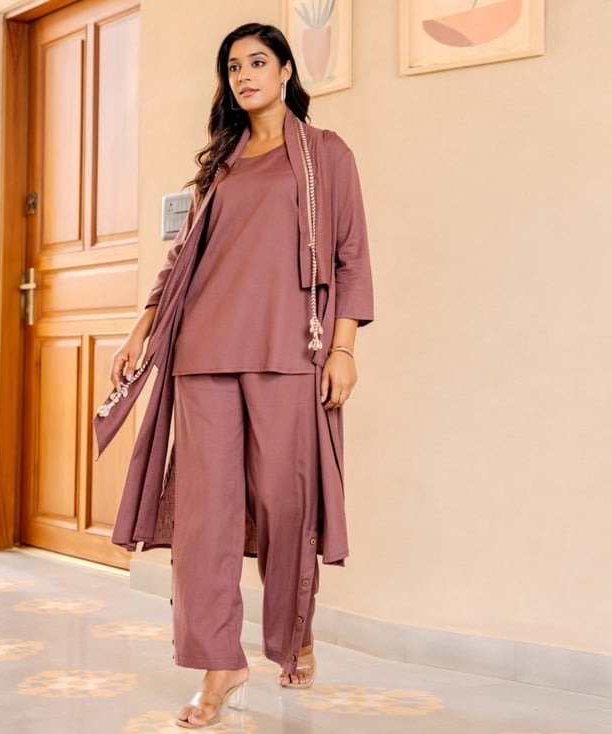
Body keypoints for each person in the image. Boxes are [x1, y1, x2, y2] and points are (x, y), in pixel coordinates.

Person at [94, 22, 373, 730]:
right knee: (205, 519)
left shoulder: (327, 155)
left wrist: (344, 350)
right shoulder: (220, 165)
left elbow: (350, 256)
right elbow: (181, 259)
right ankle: (220, 664)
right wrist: (141, 329)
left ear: (286, 71)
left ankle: (293, 630)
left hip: (289, 349)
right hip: (202, 353)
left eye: (257, 62)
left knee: (285, 504)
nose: (244, 75)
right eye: (233, 66)